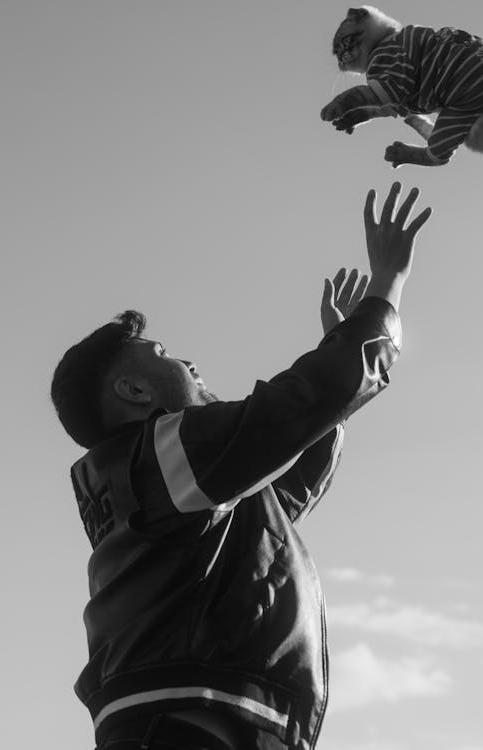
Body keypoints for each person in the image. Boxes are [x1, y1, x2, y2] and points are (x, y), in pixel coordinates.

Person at [51, 182, 431, 750]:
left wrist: (334, 397)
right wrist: (387, 286)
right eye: (164, 354)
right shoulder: (159, 454)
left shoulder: (160, 482)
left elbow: (282, 494)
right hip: (187, 727)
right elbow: (294, 408)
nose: (189, 360)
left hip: (192, 721)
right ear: (132, 389)